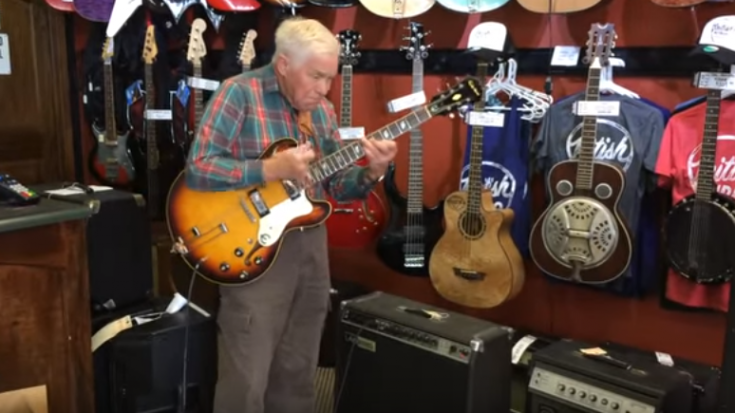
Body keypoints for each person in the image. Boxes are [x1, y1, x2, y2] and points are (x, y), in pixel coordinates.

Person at [185, 16, 398, 413]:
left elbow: (336, 186)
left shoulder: (322, 111)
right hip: (251, 247)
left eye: (330, 79)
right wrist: (267, 170)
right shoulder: (239, 94)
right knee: (247, 374)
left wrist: (372, 171)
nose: (324, 89)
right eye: (315, 76)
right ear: (284, 64)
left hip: (310, 248)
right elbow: (199, 169)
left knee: (299, 368)